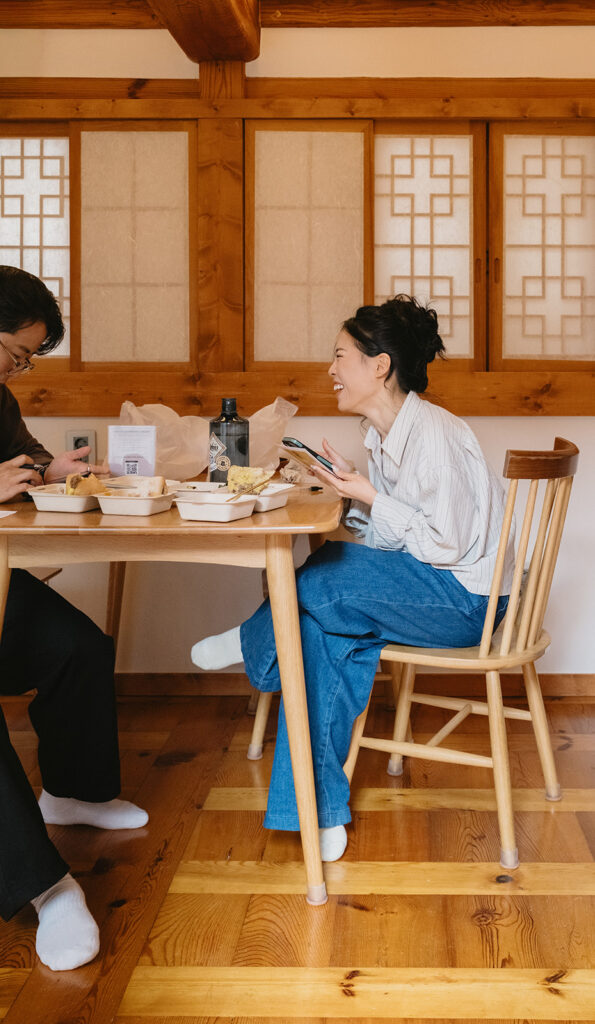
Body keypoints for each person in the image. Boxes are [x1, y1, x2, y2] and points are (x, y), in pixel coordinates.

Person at [191, 295, 513, 863]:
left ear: (380, 365)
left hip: (469, 602)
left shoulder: (434, 437)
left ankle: (251, 644)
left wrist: (371, 498)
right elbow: (397, 539)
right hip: (430, 588)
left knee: (327, 574)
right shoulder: (383, 434)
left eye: (341, 356)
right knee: (321, 633)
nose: (331, 370)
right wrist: (356, 494)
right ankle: (321, 812)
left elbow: (447, 545)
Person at [0, 265, 148, 972]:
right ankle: (45, 886)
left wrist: (50, 469)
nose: (17, 371)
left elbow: (23, 457)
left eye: (28, 361)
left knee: (76, 645)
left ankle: (73, 793)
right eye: (16, 355)